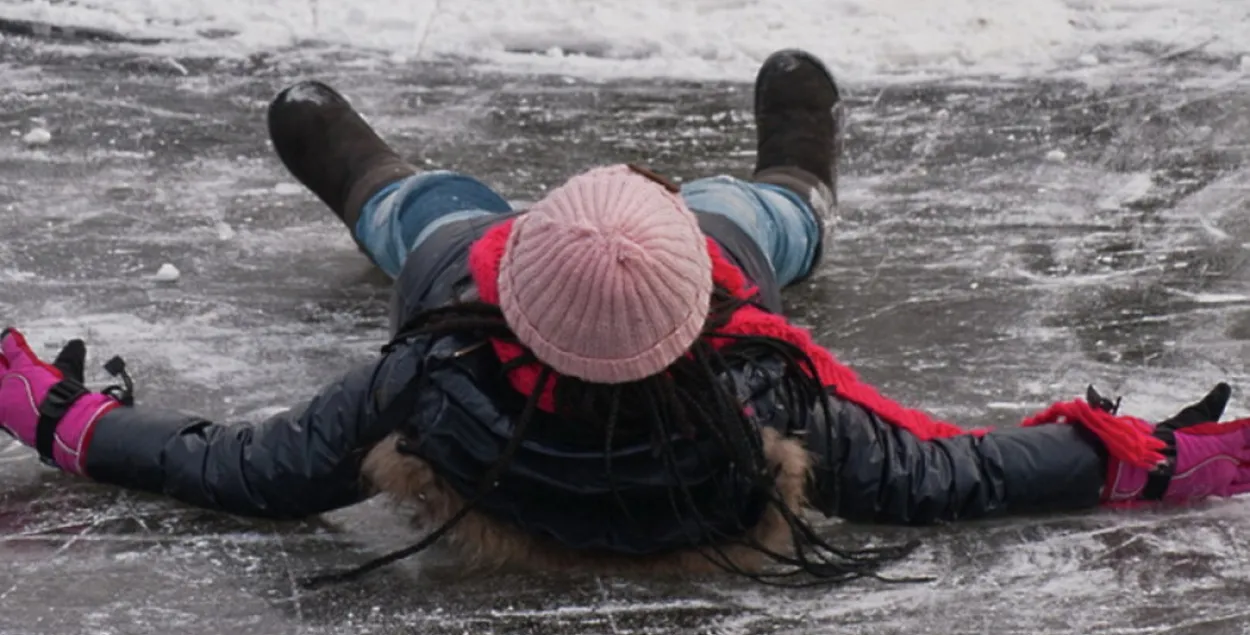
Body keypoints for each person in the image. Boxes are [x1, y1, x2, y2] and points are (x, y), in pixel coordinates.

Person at [3, 49, 1250, 588]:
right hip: (674, 284)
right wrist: (1158, 455)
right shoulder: (763, 388)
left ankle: (369, 178)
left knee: (428, 218)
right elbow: (958, 473)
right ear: (706, 312)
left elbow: (250, 470)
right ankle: (797, 179)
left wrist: (50, 410)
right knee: (747, 215)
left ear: (512, 286)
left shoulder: (436, 368)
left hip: (468, 295)